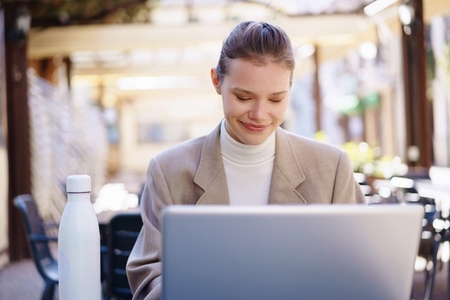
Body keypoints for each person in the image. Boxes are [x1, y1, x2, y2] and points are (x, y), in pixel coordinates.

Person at [126, 20, 366, 300]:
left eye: (276, 100)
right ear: (217, 81)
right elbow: (148, 279)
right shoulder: (169, 172)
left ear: (290, 87)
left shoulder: (332, 168)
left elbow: (360, 271)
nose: (260, 114)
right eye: (243, 97)